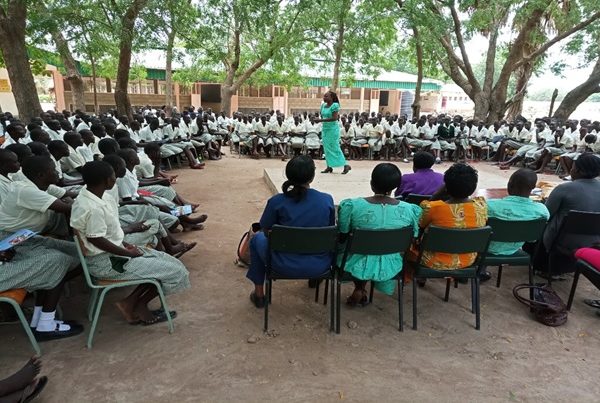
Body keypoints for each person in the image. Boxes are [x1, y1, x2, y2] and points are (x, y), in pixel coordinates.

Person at [71, 161, 191, 325]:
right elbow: (95, 238)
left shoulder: (92, 196)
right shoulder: (93, 207)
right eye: (113, 175)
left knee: (168, 261)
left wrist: (125, 244)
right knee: (177, 272)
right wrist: (128, 253)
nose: (115, 178)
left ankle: (131, 303)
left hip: (114, 252)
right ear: (107, 180)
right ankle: (137, 304)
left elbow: (106, 234)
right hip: (107, 262)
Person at [0, 156, 84, 340]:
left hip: (21, 241)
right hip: (8, 245)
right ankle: (45, 325)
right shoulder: (27, 191)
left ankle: (39, 318)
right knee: (57, 261)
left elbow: (66, 200)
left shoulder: (36, 186)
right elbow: (68, 208)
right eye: (54, 170)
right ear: (41, 175)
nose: (57, 172)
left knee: (77, 253)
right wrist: (71, 202)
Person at [247, 156, 335, 308]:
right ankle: (314, 278)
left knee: (256, 239)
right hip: (320, 264)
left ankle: (259, 295)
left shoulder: (276, 202)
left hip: (281, 264)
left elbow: (265, 229)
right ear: (312, 176)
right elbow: (330, 229)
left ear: (288, 175)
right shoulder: (326, 200)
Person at [338, 163, 421, 305]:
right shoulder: (409, 210)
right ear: (395, 186)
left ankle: (359, 288)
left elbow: (343, 234)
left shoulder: (352, 206)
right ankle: (361, 288)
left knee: (347, 247)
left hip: (355, 261)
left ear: (371, 183)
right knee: (374, 249)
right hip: (391, 262)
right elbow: (413, 236)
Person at [407, 163, 488, 273]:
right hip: (467, 260)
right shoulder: (481, 205)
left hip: (431, 261)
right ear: (473, 187)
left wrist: (436, 195)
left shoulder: (431, 207)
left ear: (445, 187)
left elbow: (419, 224)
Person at [532, 153, 600, 278]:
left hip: (562, 240)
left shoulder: (564, 189)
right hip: (594, 243)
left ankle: (542, 266)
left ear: (578, 170)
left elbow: (546, 214)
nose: (571, 170)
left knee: (542, 223)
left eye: (573, 167)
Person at [483, 168, 550, 281]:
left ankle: (480, 270)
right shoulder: (542, 211)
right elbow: (532, 240)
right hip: (514, 249)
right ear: (533, 188)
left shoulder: (489, 206)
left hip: (485, 249)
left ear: (509, 184)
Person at [314, 91, 351, 174]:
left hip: (333, 129)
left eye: (326, 96)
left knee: (335, 147)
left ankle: (346, 165)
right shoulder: (323, 105)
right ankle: (329, 166)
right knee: (326, 148)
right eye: (324, 96)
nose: (324, 98)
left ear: (332, 98)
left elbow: (334, 118)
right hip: (325, 129)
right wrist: (318, 119)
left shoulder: (335, 105)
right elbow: (322, 114)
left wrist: (320, 120)